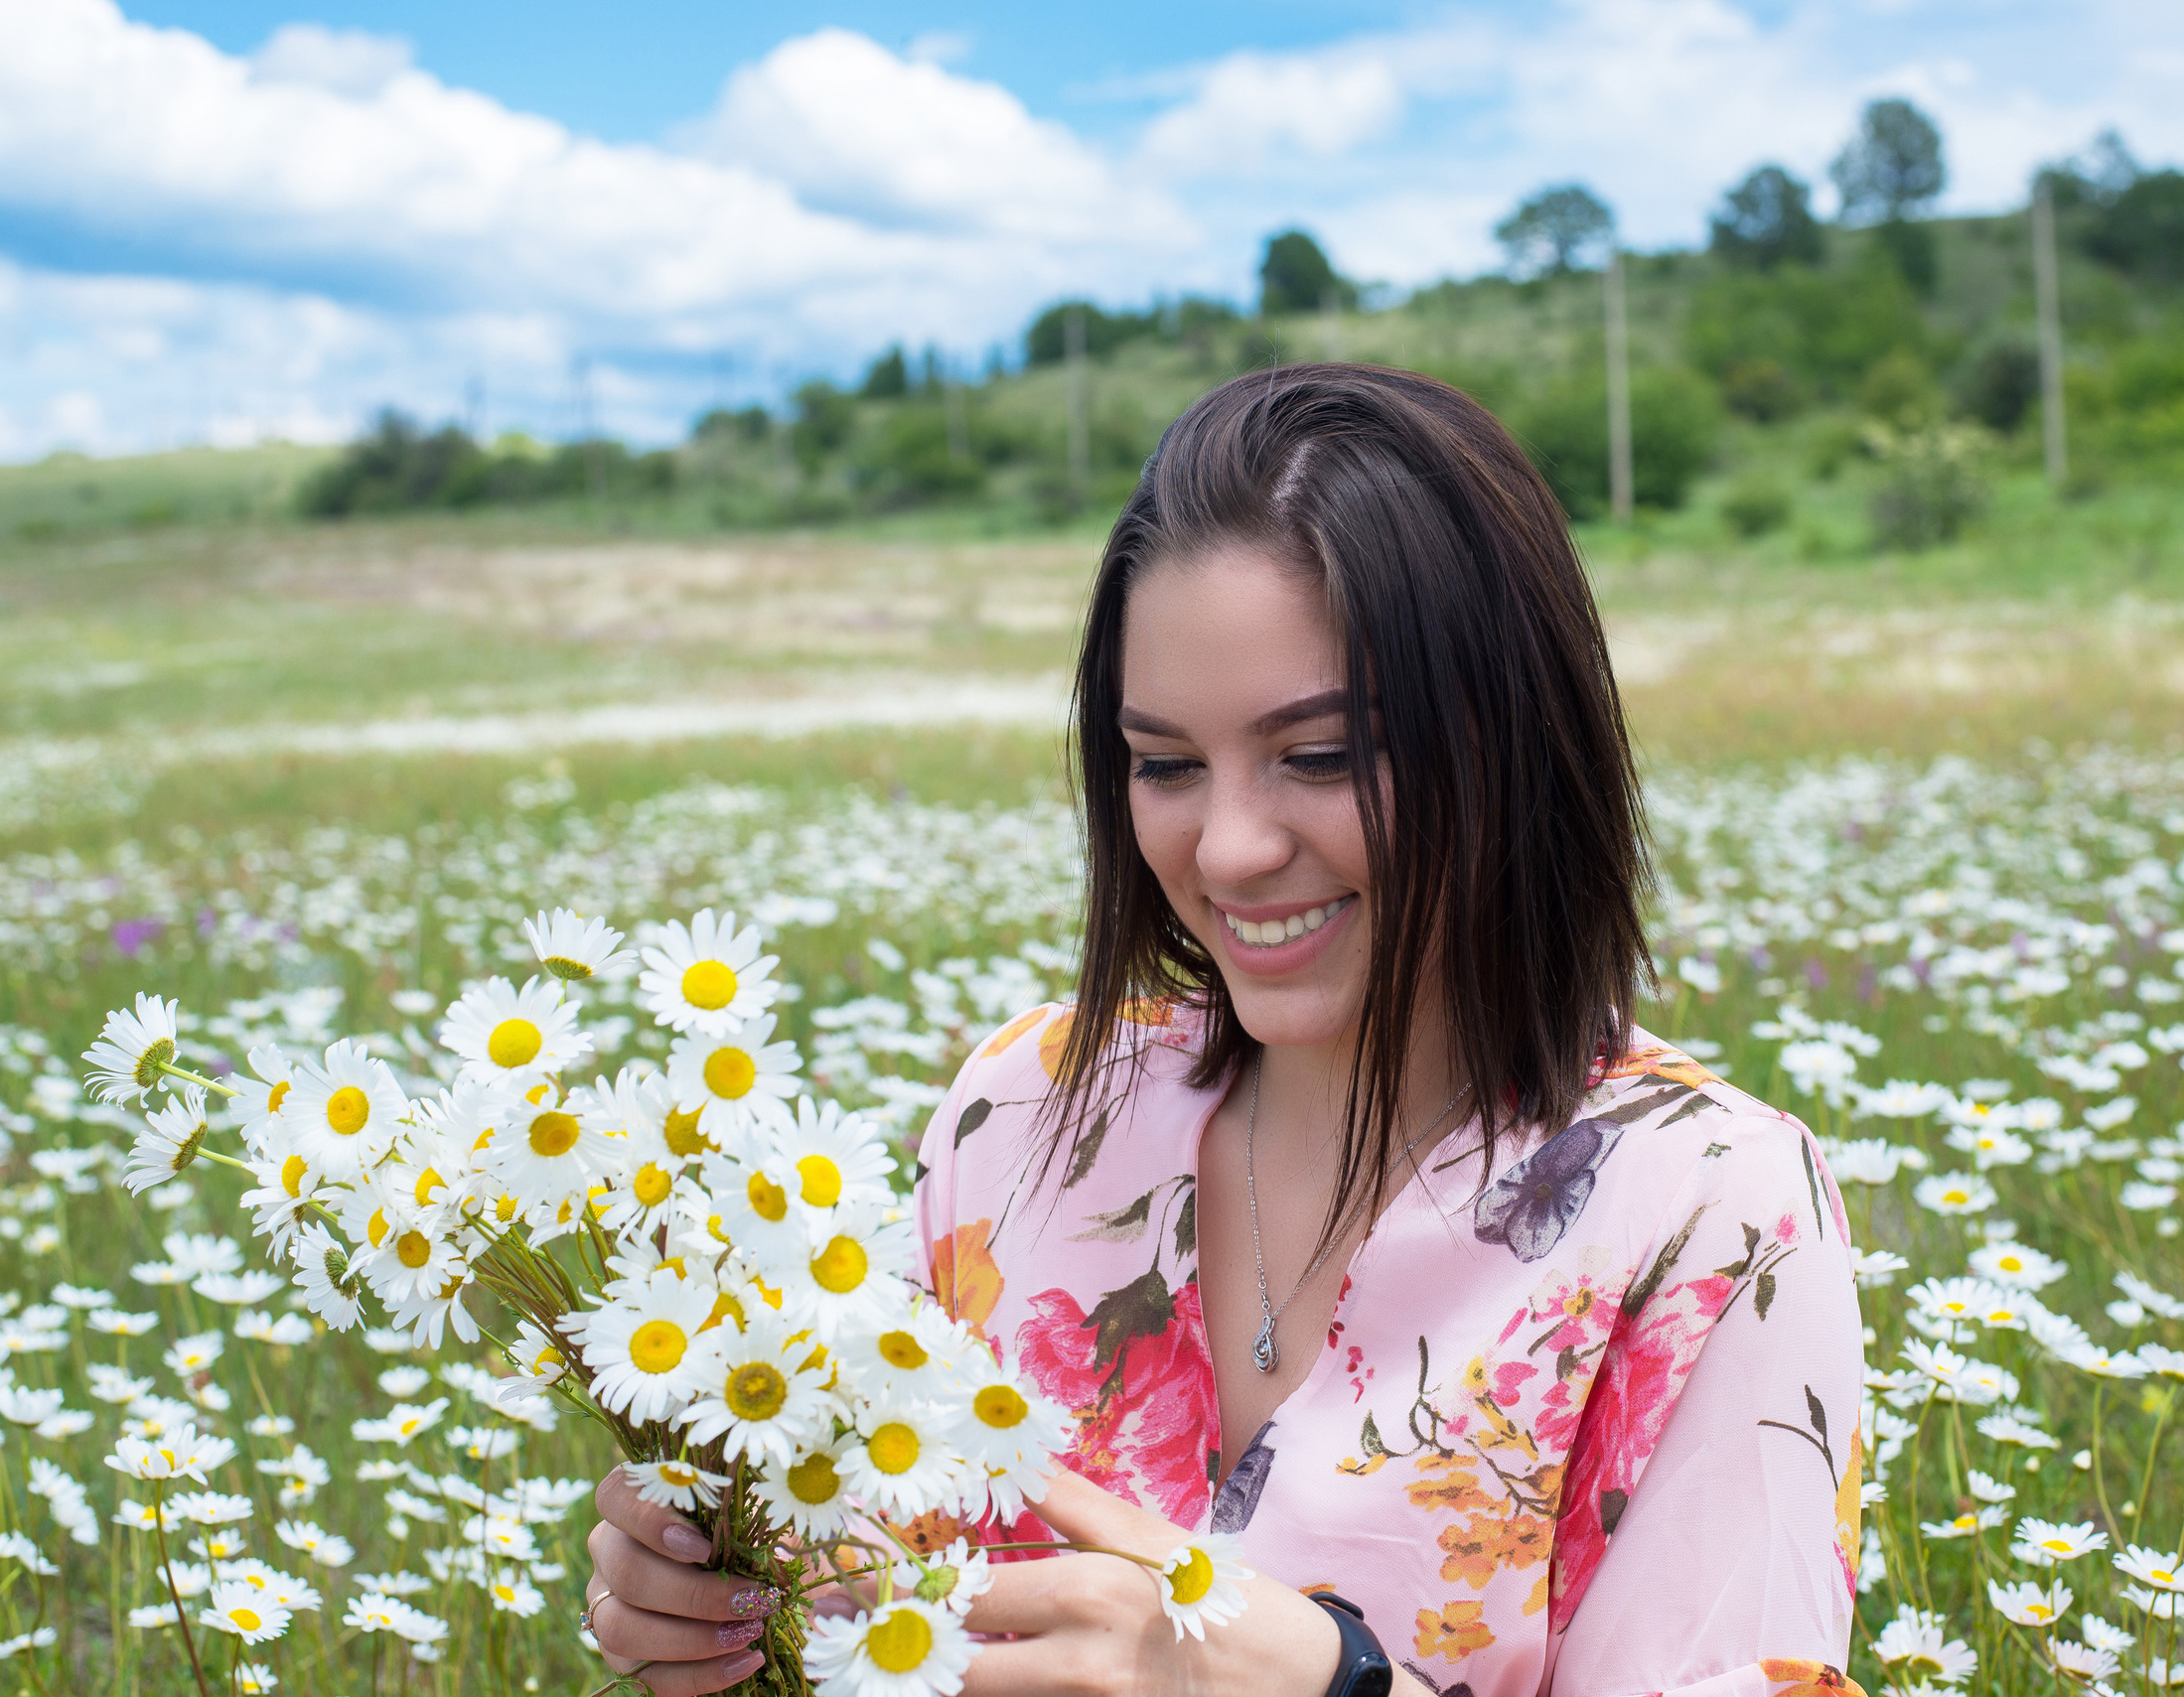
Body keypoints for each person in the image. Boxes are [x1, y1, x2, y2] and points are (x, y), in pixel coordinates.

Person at [582, 364, 1867, 1697]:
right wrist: (732, 1606)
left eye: (1319, 755)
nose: (1233, 848)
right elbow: (874, 1614)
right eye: (1166, 764)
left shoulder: (1713, 1214)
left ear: (1513, 738)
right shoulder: (1027, 1110)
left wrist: (1337, 1685)